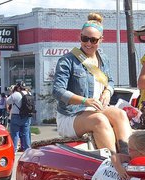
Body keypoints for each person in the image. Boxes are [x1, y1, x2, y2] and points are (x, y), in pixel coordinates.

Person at [52, 12, 132, 155]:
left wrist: (108, 91)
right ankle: (114, 164)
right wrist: (85, 101)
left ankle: (127, 157)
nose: (88, 43)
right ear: (80, 37)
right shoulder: (67, 60)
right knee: (99, 120)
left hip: (95, 109)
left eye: (93, 40)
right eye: (85, 38)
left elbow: (111, 82)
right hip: (71, 115)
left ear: (101, 40)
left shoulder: (104, 59)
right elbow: (58, 91)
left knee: (120, 114)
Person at [6, 82, 32, 152]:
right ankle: (27, 149)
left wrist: (12, 92)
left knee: (15, 134)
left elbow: (7, 101)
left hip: (16, 116)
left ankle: (13, 150)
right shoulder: (29, 93)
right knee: (25, 133)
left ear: (18, 87)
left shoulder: (15, 94)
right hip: (26, 116)